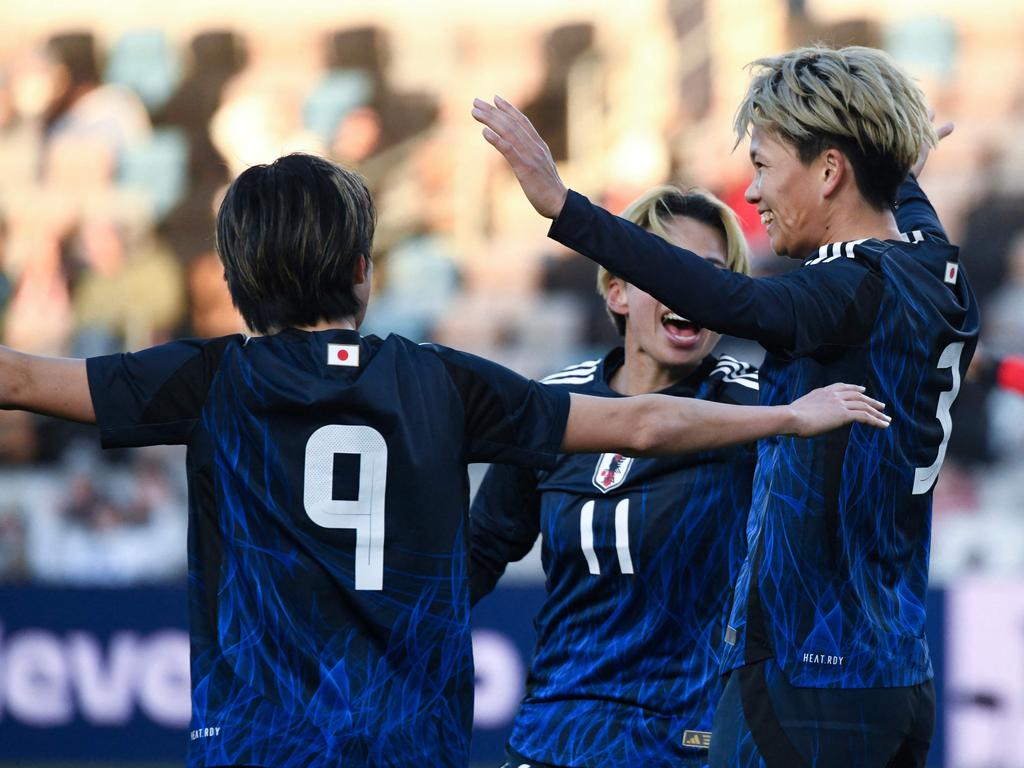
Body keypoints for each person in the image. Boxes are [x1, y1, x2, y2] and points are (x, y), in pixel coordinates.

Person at [0, 153, 888, 768]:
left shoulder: (209, 381)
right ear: (363, 271)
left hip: (256, 735)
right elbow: (644, 426)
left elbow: (21, 378)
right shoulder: (443, 383)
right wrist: (787, 418)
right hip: (409, 738)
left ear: (233, 282)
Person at [472, 44, 979, 767]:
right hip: (896, 675)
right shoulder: (935, 261)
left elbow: (727, 298)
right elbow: (896, 192)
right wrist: (896, 149)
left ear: (830, 170)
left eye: (766, 166)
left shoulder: (842, 290)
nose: (754, 192)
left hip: (806, 679)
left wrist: (566, 209)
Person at [470, 185, 758, 768]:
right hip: (555, 734)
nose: (691, 292)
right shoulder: (553, 404)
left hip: (693, 741)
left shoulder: (759, 407)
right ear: (618, 290)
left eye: (711, 276)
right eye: (668, 270)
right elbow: (477, 554)